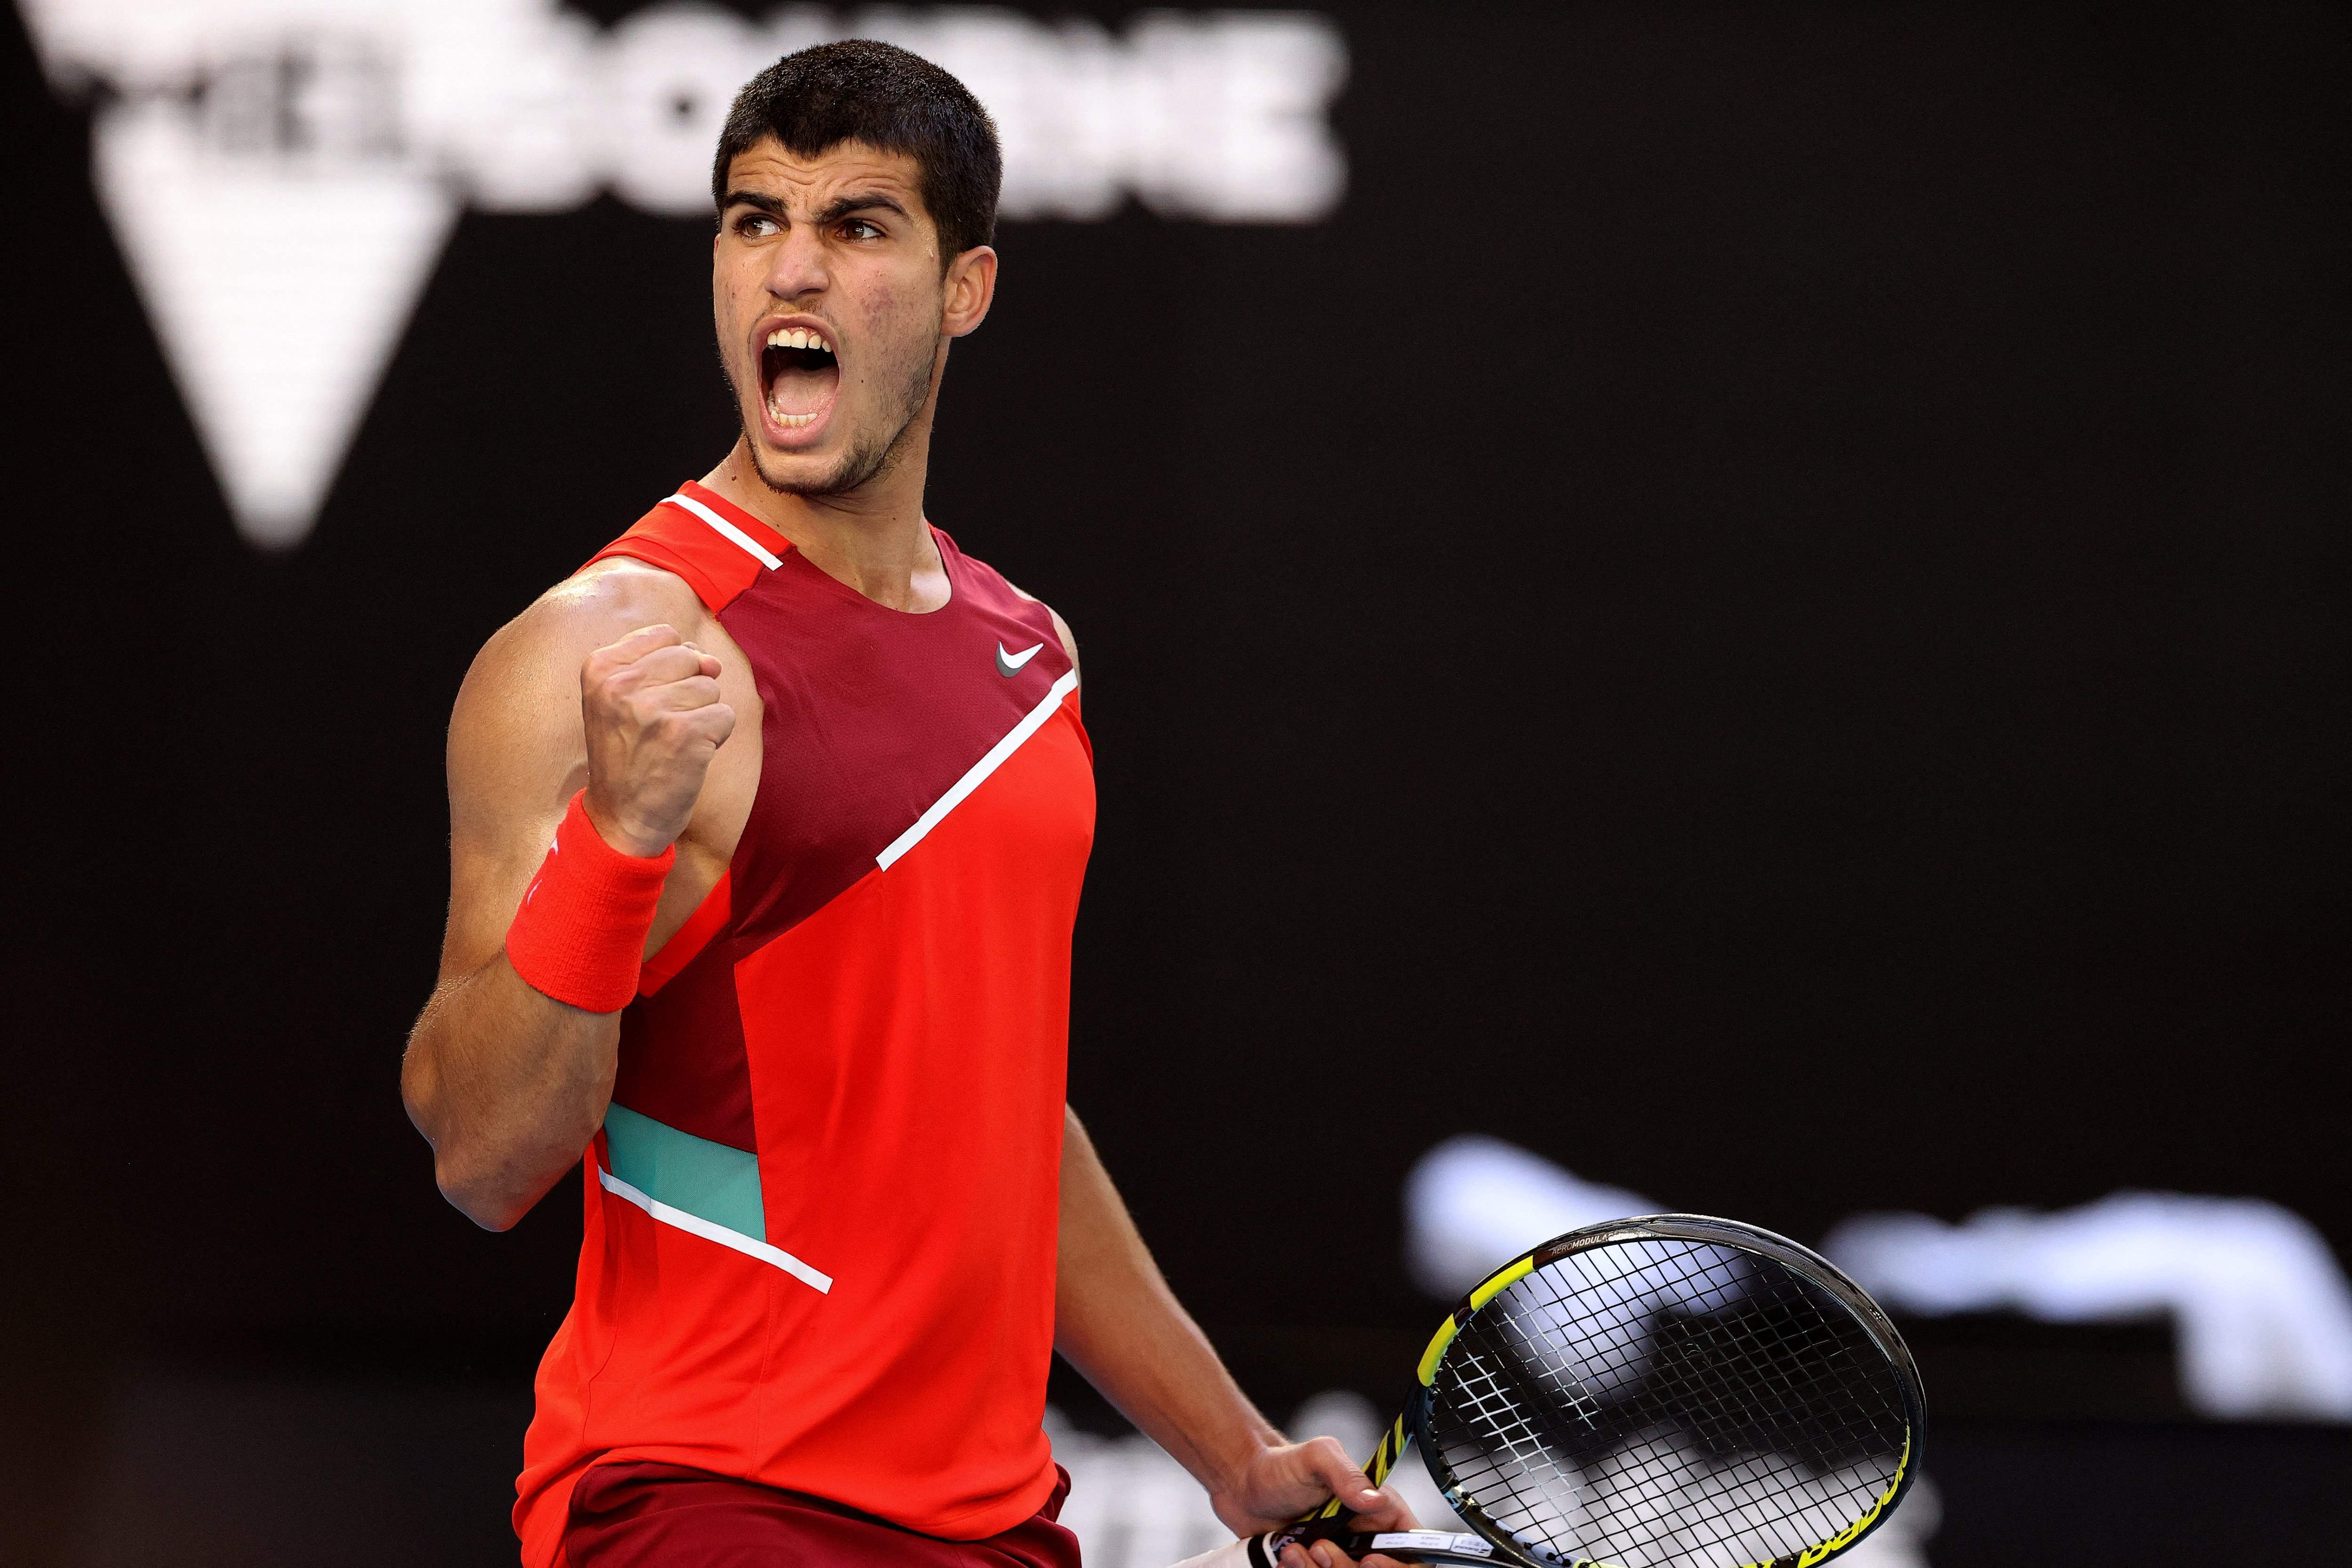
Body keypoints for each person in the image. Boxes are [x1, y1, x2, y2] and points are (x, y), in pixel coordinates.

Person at [399, 40, 1415, 1568]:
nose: (789, 272)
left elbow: (1000, 1124)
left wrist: (1237, 1452)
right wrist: (614, 844)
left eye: (858, 227)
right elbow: (482, 1158)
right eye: (754, 221)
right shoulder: (607, 648)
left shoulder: (1029, 657)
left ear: (965, 289)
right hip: (708, 1497)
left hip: (996, 1523)